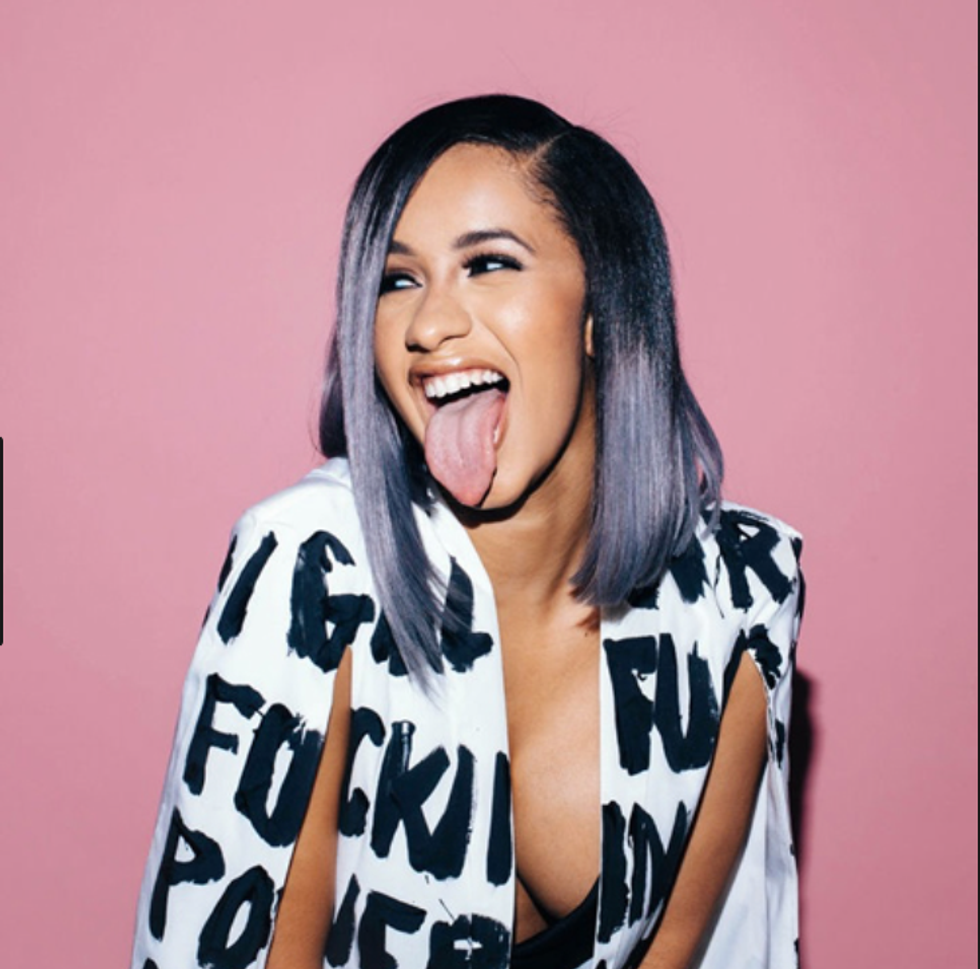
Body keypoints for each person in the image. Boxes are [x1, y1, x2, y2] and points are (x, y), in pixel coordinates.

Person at [131, 95, 805, 969]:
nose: (428, 326)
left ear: (601, 305)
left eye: (488, 264)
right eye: (397, 280)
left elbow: (678, 954)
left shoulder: (735, 592)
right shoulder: (312, 569)